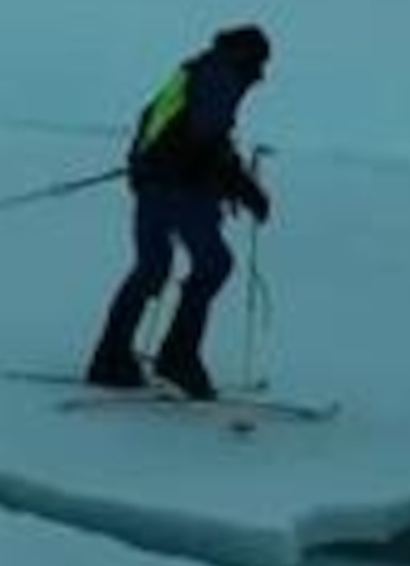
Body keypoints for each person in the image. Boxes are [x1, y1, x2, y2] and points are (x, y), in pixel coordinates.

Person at [83, 23, 274, 399]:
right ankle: (178, 358)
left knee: (152, 268)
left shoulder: (194, 70)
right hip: (180, 188)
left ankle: (110, 357)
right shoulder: (221, 76)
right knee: (213, 265)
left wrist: (142, 168)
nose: (261, 74)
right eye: (260, 63)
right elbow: (204, 144)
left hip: (155, 183)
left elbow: (153, 120)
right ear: (246, 55)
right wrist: (243, 187)